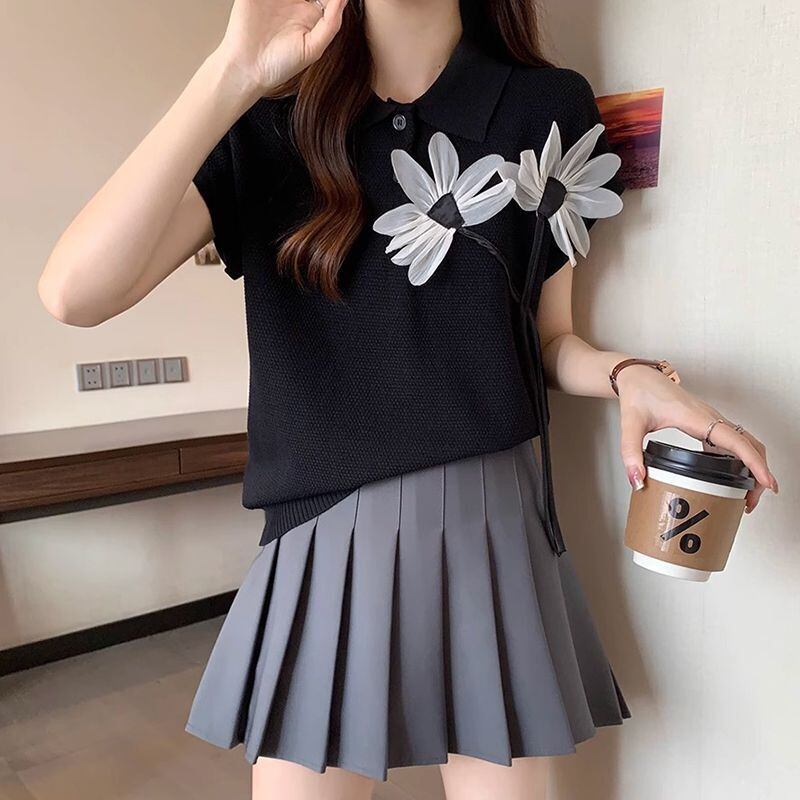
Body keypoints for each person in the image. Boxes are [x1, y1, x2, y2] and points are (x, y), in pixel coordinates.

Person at [38, 1, 778, 798]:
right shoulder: (270, 121)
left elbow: (548, 336)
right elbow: (74, 293)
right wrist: (231, 74)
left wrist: (631, 374)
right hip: (320, 535)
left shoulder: (546, 107)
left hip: (493, 525)